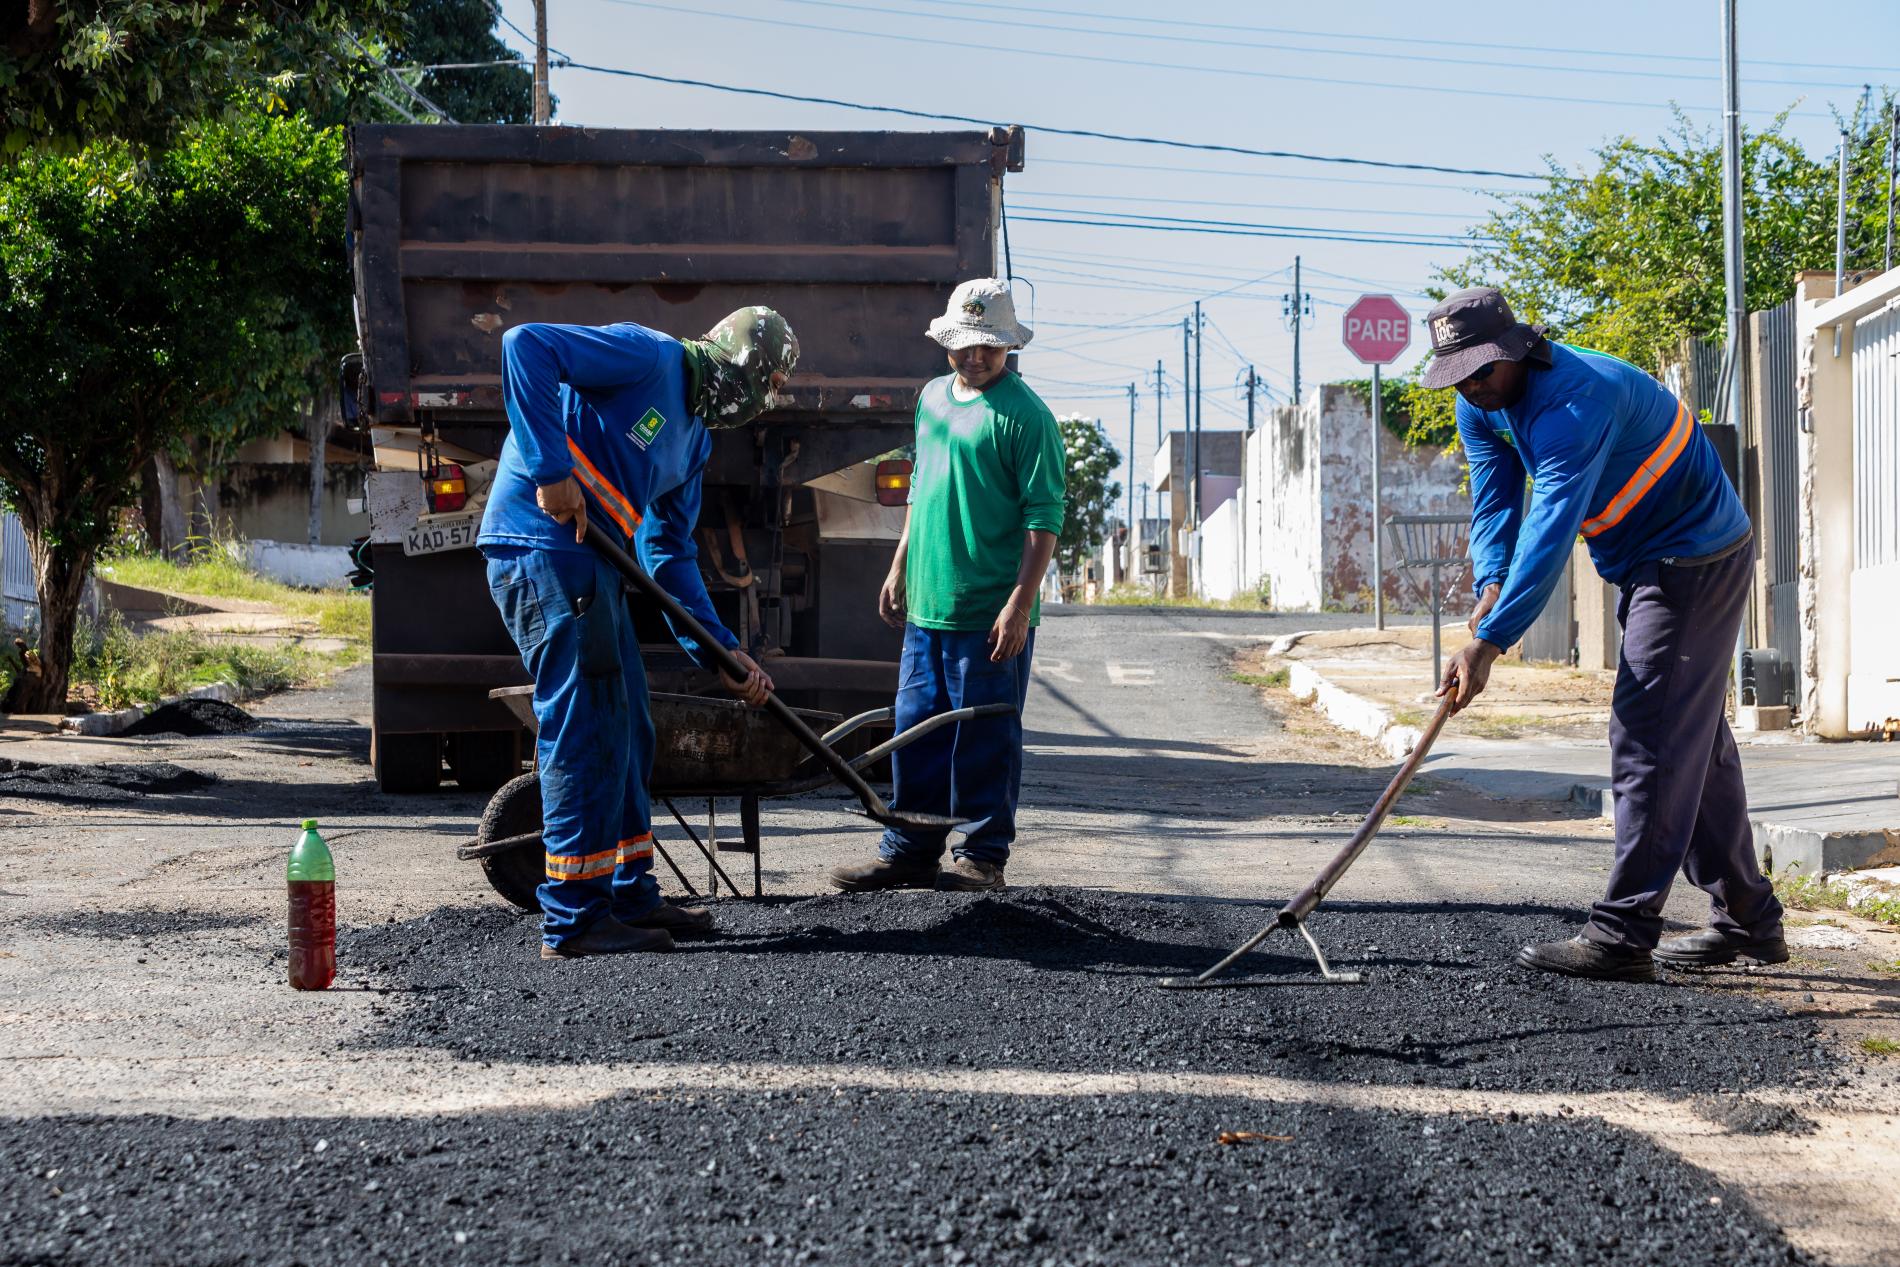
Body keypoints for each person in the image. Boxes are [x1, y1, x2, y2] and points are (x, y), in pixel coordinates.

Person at [1425, 286, 1784, 983]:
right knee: (1693, 740)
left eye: (1483, 371)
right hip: (1646, 560)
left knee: (1648, 728)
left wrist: (1491, 640)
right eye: (1459, 376)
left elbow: (1552, 525)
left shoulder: (1573, 403)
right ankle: (1748, 917)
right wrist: (1490, 580)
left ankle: (1623, 932)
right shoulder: (1482, 404)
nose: (1472, 386)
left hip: (1693, 554)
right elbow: (1496, 497)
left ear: (1519, 351)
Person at [478, 309, 798, 959]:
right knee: (587, 726)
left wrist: (719, 650)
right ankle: (572, 917)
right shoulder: (648, 357)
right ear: (731, 365)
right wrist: (548, 469)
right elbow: (526, 345)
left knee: (631, 725)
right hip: (543, 545)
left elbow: (668, 554)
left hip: (596, 560)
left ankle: (628, 890)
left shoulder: (696, 441)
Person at [828, 278, 1066, 894]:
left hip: (990, 613)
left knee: (984, 735)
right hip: (927, 604)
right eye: (965, 344)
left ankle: (983, 857)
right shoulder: (932, 398)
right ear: (946, 343)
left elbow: (1044, 521)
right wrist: (899, 562)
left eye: (989, 345)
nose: (976, 357)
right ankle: (908, 850)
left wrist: (1020, 604)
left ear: (1009, 346)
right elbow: (921, 486)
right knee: (915, 727)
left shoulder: (1028, 417)